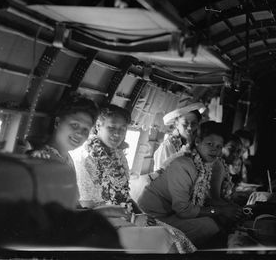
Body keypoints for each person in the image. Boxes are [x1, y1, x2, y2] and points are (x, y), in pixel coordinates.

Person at [75, 105, 196, 253]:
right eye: (112, 128)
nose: (117, 134)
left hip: (125, 215)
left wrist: (141, 213)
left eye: (123, 129)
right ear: (98, 126)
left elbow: (125, 196)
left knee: (177, 235)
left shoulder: (119, 155)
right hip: (102, 224)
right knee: (164, 237)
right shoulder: (87, 159)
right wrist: (132, 219)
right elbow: (89, 209)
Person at [138, 121, 242, 248]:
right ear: (197, 141)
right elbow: (183, 210)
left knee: (219, 220)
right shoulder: (183, 165)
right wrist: (219, 210)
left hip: (171, 213)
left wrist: (231, 209)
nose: (214, 149)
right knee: (209, 225)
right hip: (152, 218)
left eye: (219, 146)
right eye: (210, 144)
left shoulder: (206, 165)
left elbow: (203, 199)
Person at [28, 93, 100, 204]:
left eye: (86, 129)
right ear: (57, 122)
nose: (80, 134)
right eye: (75, 125)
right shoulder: (42, 159)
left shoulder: (67, 158)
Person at [152, 101, 204, 174]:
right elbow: (161, 177)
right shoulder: (167, 147)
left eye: (194, 123)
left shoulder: (198, 144)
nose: (190, 127)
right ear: (176, 124)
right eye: (185, 124)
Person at [210, 134, 242, 204]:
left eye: (238, 151)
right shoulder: (218, 165)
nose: (235, 154)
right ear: (221, 147)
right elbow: (215, 199)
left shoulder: (224, 165)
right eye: (231, 149)